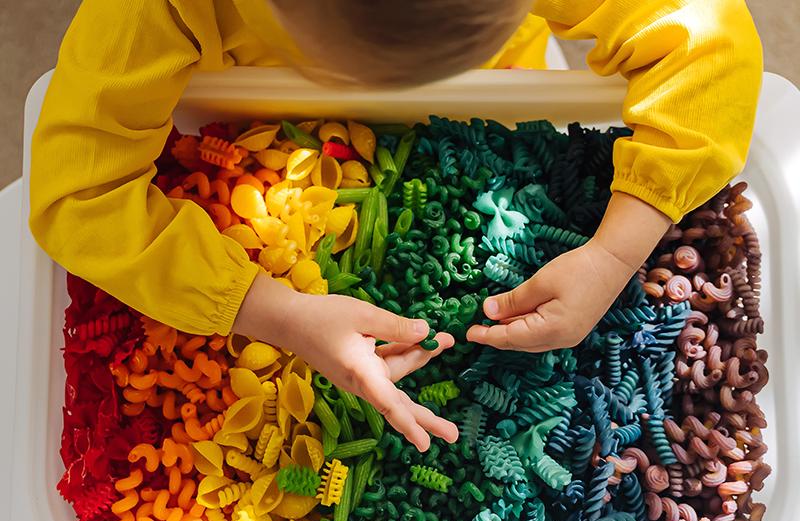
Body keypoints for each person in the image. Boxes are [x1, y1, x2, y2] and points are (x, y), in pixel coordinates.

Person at [30, 0, 762, 451]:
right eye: (352, 75)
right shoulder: (152, 11)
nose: (397, 104)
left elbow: (712, 41)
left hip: (502, 92)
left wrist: (613, 254)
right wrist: (276, 311)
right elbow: (77, 195)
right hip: (263, 117)